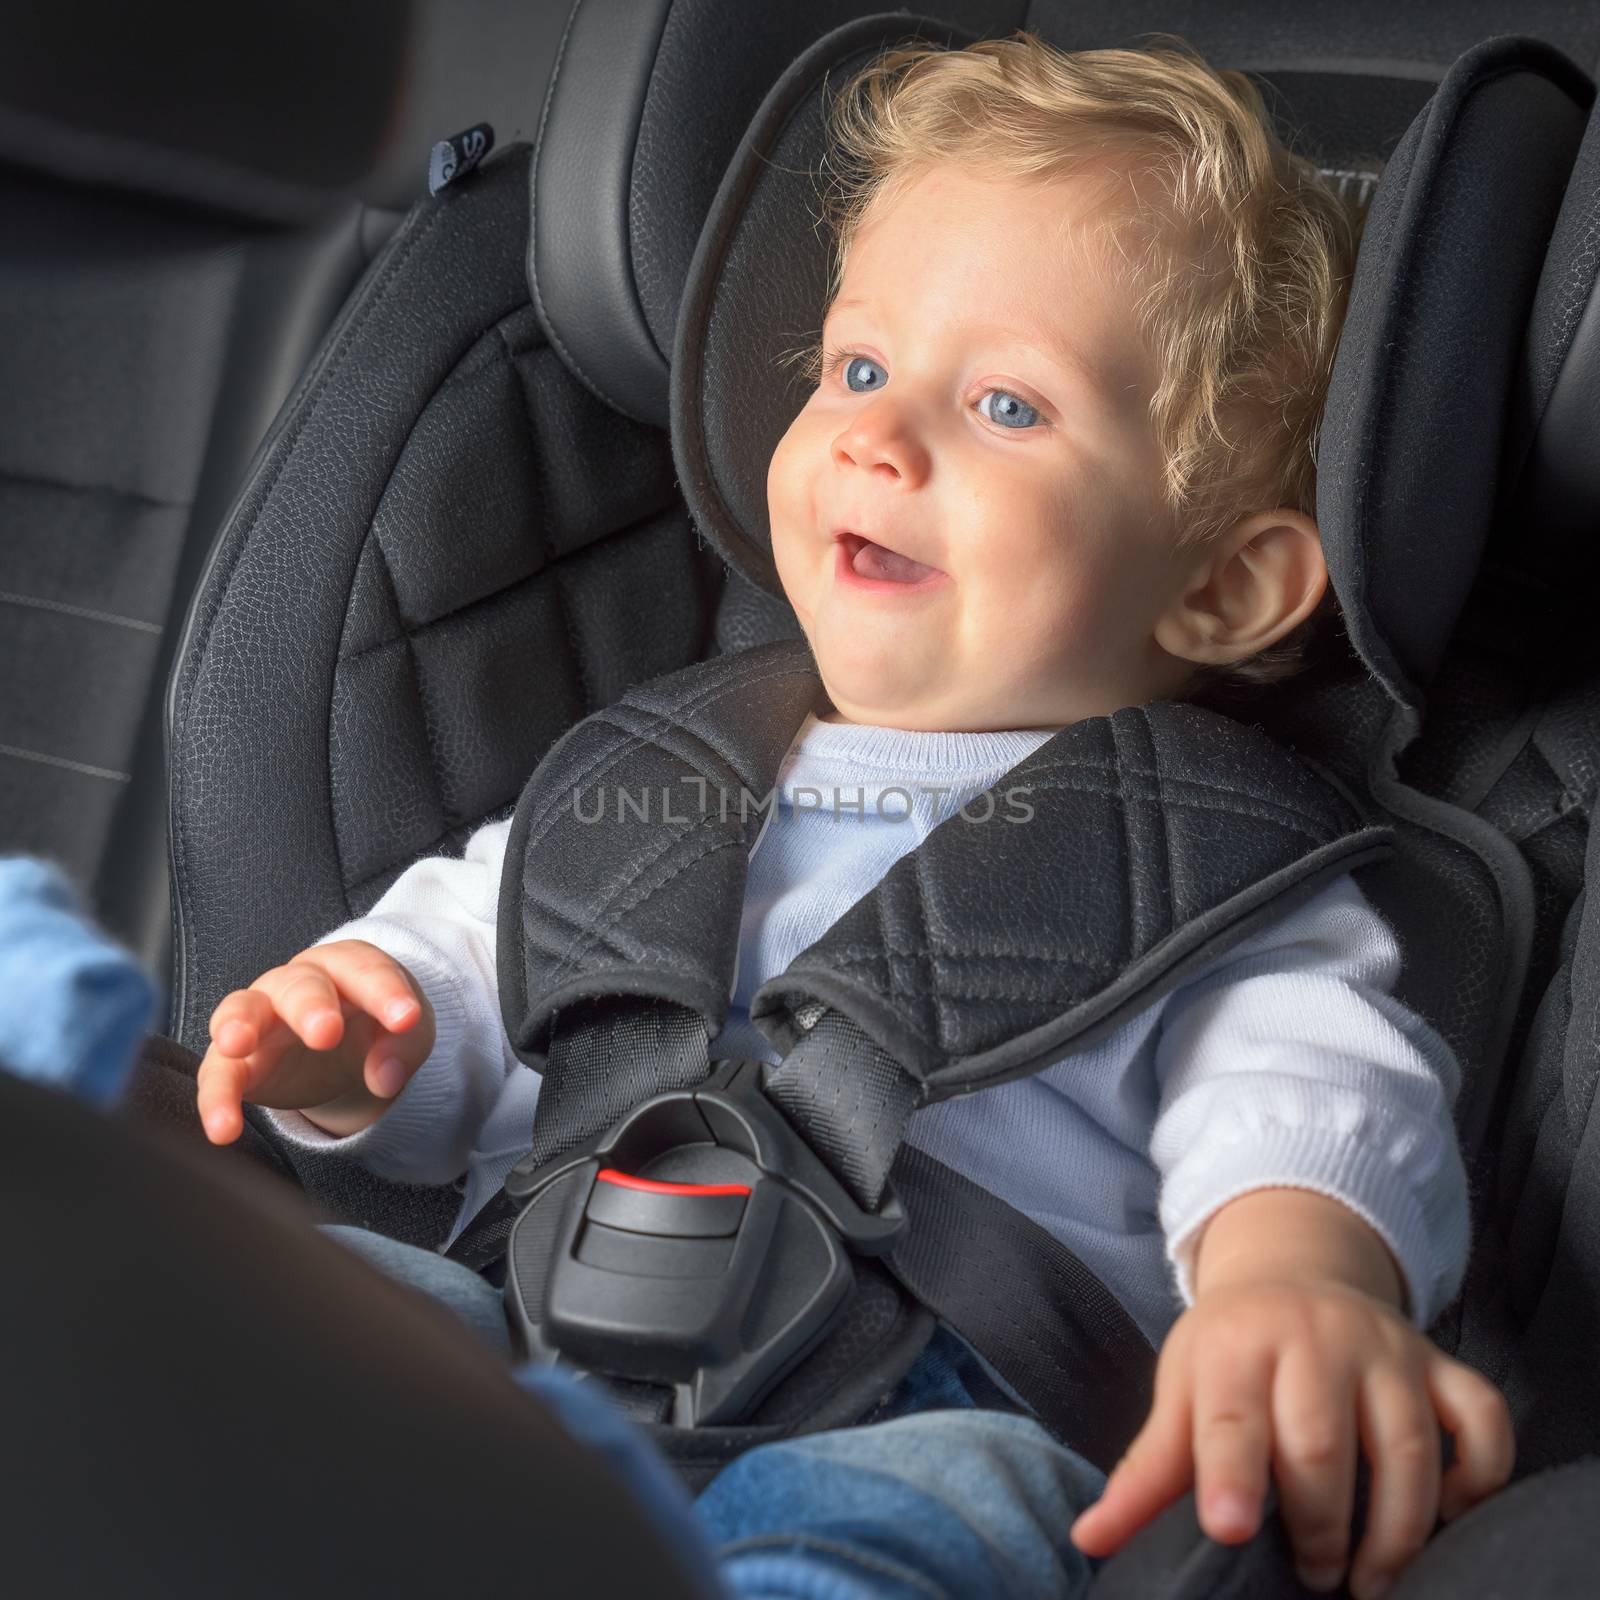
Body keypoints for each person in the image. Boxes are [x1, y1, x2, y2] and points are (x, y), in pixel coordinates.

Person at [192, 33, 1514, 1600]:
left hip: (922, 1399)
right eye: (860, 369)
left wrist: (1293, 1281)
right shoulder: (653, 781)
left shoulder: (1225, 878)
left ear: (1225, 583)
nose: (878, 439)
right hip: (517, 1337)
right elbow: (464, 983)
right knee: (246, 1312)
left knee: (965, 1498)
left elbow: (1308, 1105)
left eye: (1009, 405)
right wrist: (354, 1046)